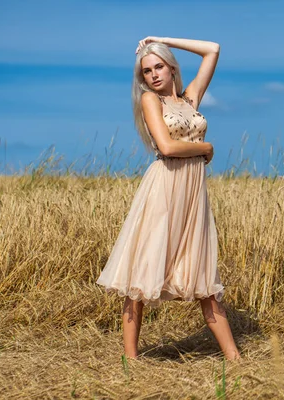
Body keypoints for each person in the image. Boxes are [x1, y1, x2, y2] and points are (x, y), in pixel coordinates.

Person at [96, 36, 241, 361]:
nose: (154, 75)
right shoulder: (151, 101)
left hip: (192, 195)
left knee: (203, 274)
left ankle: (234, 360)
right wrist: (206, 148)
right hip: (164, 189)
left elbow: (212, 49)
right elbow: (167, 147)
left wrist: (160, 40)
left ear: (172, 67)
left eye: (159, 66)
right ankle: (130, 362)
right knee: (142, 272)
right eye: (147, 71)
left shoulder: (190, 99)